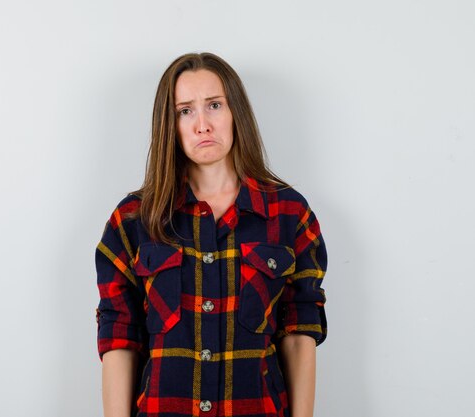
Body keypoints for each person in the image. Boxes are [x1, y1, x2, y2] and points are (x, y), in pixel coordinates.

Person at [95, 52, 328, 417]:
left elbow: (300, 336)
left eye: (214, 105)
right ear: (169, 125)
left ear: (236, 112)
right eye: (185, 111)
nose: (202, 124)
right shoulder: (132, 221)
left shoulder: (289, 214)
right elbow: (119, 338)